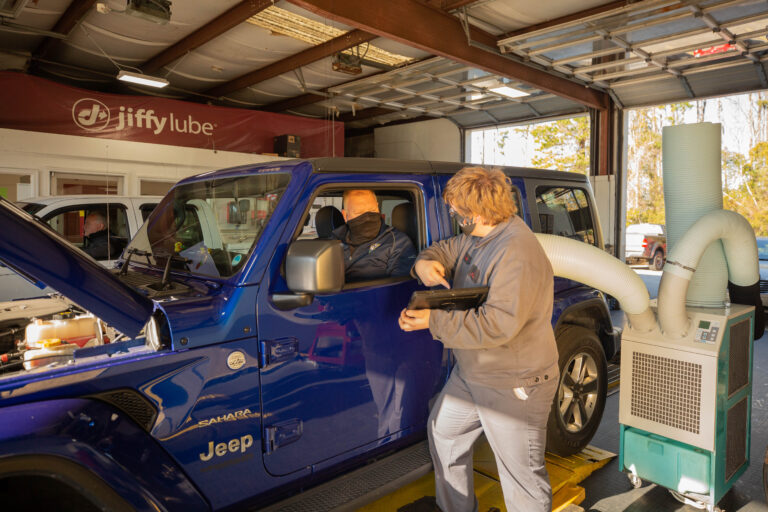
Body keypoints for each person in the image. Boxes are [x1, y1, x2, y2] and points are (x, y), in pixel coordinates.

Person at [398, 166, 559, 512]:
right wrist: (426, 263)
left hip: (514, 381)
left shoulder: (516, 251)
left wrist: (432, 320)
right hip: (473, 373)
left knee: (522, 481)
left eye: (456, 210)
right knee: (446, 434)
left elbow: (497, 325)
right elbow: (445, 249)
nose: (452, 214)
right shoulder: (477, 236)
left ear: (477, 212)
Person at [332, 189, 416, 280]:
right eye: (359, 213)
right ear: (345, 215)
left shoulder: (398, 243)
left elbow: (399, 288)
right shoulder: (333, 241)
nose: (367, 217)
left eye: (372, 210)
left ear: (377, 207)